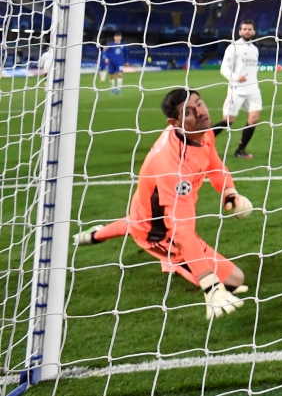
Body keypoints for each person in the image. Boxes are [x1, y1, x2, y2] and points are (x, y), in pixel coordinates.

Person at [73, 88, 254, 320]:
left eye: (199, 104)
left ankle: (95, 234)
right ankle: (171, 260)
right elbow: (182, 232)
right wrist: (210, 286)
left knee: (134, 223)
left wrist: (230, 192)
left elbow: (215, 165)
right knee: (233, 280)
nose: (200, 113)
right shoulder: (173, 166)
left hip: (145, 212)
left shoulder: (202, 131)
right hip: (160, 232)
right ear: (174, 122)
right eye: (188, 112)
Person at [213, 19, 261, 159]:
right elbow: (223, 68)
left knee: (253, 119)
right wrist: (236, 77)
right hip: (237, 90)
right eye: (244, 29)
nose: (247, 31)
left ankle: (240, 150)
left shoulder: (255, 49)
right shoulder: (233, 47)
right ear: (240, 32)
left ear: (254, 31)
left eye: (249, 29)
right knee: (228, 120)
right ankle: (200, 141)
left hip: (253, 90)